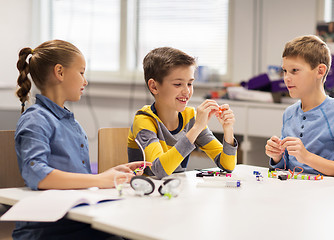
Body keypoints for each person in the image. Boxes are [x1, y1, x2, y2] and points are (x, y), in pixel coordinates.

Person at [14, 39, 151, 239]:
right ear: (59, 72)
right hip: (48, 230)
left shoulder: (72, 123)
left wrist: (110, 174)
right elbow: (37, 174)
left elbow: (75, 177)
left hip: (79, 220)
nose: (85, 81)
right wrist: (99, 179)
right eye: (81, 72)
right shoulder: (36, 119)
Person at [127, 47, 237, 179]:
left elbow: (227, 166)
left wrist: (228, 129)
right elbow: (159, 170)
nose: (186, 92)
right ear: (154, 86)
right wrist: (196, 128)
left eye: (190, 84)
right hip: (145, 191)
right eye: (178, 84)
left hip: (173, 191)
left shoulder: (189, 117)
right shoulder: (144, 120)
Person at [265, 35, 334, 180]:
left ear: (320, 71)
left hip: (325, 196)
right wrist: (277, 156)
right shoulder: (289, 113)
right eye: (284, 71)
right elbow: (287, 166)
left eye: (295, 70)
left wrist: (308, 157)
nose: (286, 78)